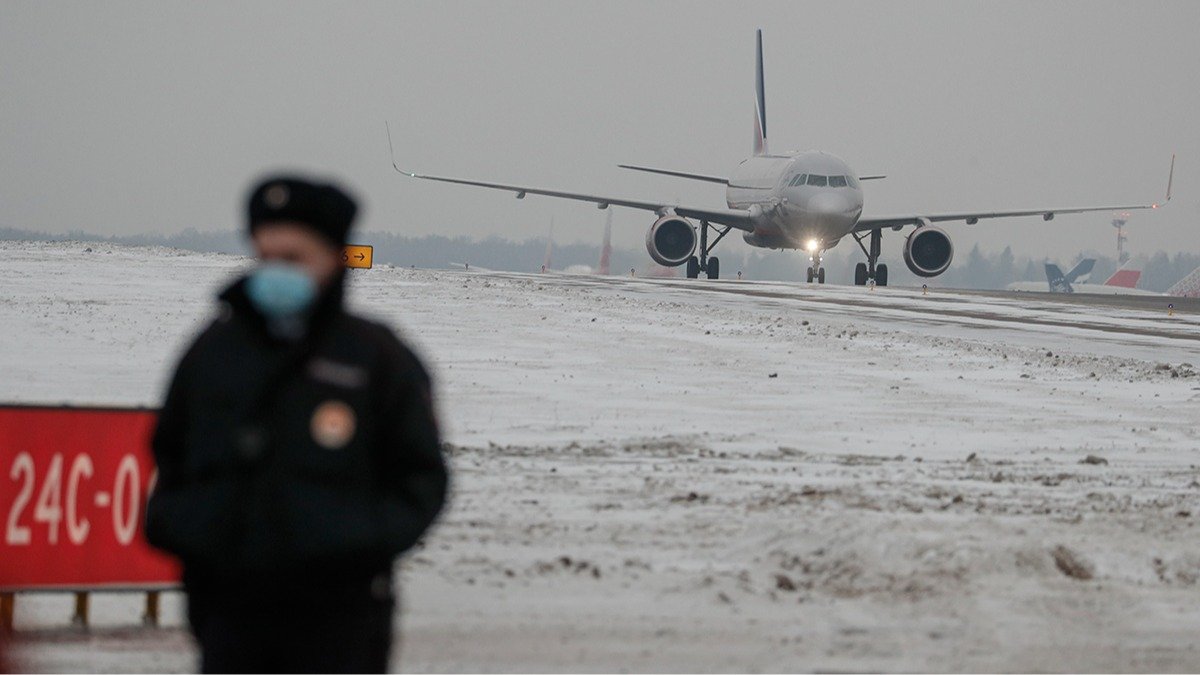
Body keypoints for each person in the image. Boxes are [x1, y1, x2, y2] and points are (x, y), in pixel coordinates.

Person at [146, 174, 448, 673]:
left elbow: (420, 476)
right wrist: (197, 538)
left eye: (294, 259)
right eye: (267, 258)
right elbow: (171, 454)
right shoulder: (213, 351)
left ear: (334, 257)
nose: (276, 272)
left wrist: (358, 545)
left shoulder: (376, 359)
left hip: (339, 613)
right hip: (230, 607)